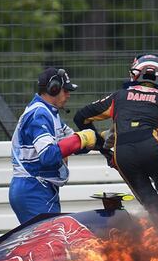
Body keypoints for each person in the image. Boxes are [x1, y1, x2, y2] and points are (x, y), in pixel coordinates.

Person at [74, 54, 158, 215]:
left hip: (122, 154)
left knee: (152, 205)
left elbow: (80, 117)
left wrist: (103, 149)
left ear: (134, 74)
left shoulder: (118, 96)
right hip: (150, 148)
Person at [10, 67, 96, 223]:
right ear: (53, 88)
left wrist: (101, 138)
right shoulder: (39, 114)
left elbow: (72, 143)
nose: (69, 95)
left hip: (39, 188)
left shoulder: (50, 113)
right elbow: (49, 155)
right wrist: (81, 138)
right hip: (33, 189)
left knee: (46, 243)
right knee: (48, 245)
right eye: (66, 90)